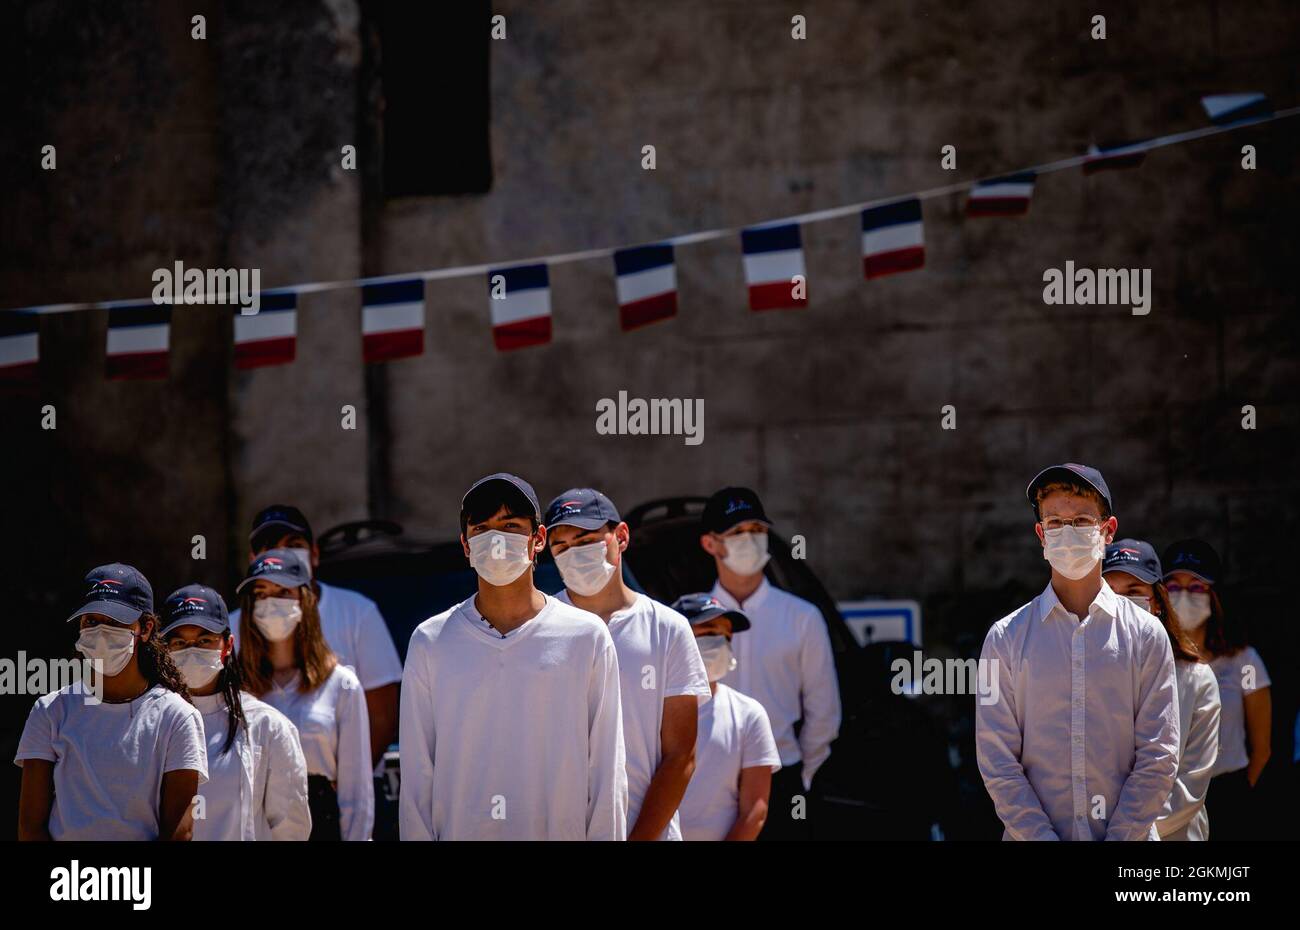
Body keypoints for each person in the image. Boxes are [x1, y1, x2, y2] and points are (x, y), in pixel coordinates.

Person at [400, 473, 628, 840]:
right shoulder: (431, 642)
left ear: (537, 539)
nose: (496, 539)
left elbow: (606, 772)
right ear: (466, 545)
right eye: (482, 528)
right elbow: (416, 780)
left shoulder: (586, 637)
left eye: (510, 525)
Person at [976, 464, 1179, 840]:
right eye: (1055, 522)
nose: (1067, 533)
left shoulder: (1146, 635)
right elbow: (998, 761)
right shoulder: (1004, 638)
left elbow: (1159, 756)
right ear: (1041, 535)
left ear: (1108, 530)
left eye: (1082, 520)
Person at [545, 488, 711, 840]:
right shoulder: (537, 629)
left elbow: (680, 756)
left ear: (620, 537)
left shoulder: (667, 628)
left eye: (587, 540)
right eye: (562, 547)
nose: (575, 554)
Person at [15, 564, 208, 841]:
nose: (101, 632)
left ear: (145, 628)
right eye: (91, 622)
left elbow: (179, 832)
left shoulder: (177, 717)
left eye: (114, 622)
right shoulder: (50, 711)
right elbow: (30, 828)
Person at [698, 486, 840, 839]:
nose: (750, 540)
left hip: (782, 778)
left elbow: (824, 711)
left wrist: (801, 774)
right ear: (710, 544)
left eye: (757, 531)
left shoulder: (802, 617)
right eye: (737, 533)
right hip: (705, 778)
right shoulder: (685, 619)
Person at [231, 505, 401, 769]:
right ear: (253, 559)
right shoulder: (231, 629)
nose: (283, 554)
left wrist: (348, 785)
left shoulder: (358, 612)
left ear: (315, 554)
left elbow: (382, 715)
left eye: (293, 543)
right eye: (270, 546)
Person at [236, 549, 373, 841]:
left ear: (306, 599)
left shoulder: (341, 685)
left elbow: (357, 796)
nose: (271, 602)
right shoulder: (236, 688)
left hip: (322, 827)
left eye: (283, 591)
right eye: (261, 593)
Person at [160, 583, 311, 840]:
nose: (192, 650)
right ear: (165, 650)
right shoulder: (150, 721)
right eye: (179, 642)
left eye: (204, 640)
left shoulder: (267, 726)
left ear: (227, 645)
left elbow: (291, 829)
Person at [1103, 539, 1220, 840]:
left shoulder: (1198, 680)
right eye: (1110, 593)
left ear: (1156, 602)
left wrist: (1125, 835)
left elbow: (1189, 788)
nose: (1122, 605)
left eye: (1133, 592)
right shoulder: (1078, 675)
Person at [1163, 539, 1272, 841]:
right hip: (1171, 795)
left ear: (1214, 595)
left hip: (1228, 791)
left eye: (1196, 586)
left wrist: (1241, 790)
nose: (1184, 595)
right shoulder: (1153, 659)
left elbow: (1262, 747)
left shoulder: (1244, 663)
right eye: (1174, 586)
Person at [672, 593, 781, 841]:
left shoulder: (749, 715)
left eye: (727, 637)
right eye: (710, 632)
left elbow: (755, 810)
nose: (720, 643)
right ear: (678, 637)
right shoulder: (645, 708)